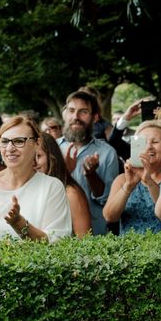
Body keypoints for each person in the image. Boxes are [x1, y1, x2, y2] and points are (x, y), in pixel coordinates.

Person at [0, 116, 72, 244]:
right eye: (4, 141)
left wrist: (19, 223)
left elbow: (59, 242)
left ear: (37, 144)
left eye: (19, 141)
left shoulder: (52, 186)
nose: (10, 148)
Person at [58, 90, 119, 235]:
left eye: (83, 112)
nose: (75, 117)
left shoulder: (107, 153)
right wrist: (63, 171)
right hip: (56, 236)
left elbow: (108, 202)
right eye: (71, 110)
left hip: (93, 237)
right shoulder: (51, 149)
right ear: (64, 114)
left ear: (95, 117)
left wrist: (91, 175)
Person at [103, 120, 161, 234]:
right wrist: (128, 186)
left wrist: (148, 181)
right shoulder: (122, 179)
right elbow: (109, 217)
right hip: (129, 249)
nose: (149, 147)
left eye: (155, 142)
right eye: (142, 142)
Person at [35, 132, 91, 237]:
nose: (33, 162)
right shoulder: (31, 188)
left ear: (52, 157)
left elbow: (84, 240)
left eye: (38, 156)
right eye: (30, 156)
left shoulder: (71, 193)